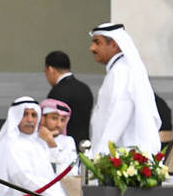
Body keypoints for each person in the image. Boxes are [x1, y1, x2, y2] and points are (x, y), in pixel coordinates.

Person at [88, 23, 161, 158]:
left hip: (123, 160)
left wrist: (99, 154)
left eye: (97, 43)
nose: (92, 48)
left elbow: (117, 116)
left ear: (114, 45)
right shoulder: (121, 69)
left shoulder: (121, 72)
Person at [44, 50, 94, 147]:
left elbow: (52, 126)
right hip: (84, 146)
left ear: (50, 69)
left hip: (65, 148)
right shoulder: (84, 88)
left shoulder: (57, 92)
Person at [39, 98, 78, 172]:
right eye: (54, 118)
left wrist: (51, 143)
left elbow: (70, 172)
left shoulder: (68, 141)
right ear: (42, 119)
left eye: (62, 120)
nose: (59, 125)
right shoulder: (32, 140)